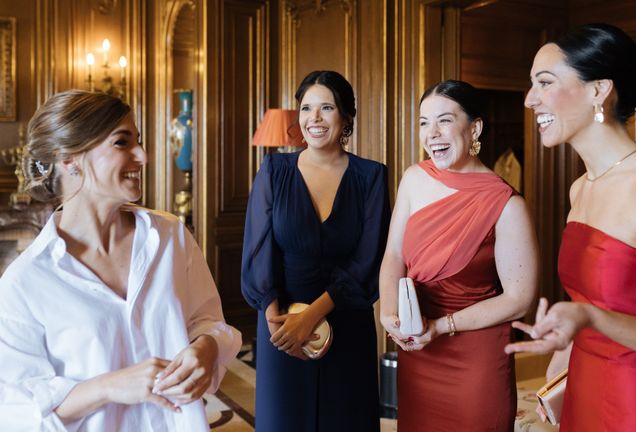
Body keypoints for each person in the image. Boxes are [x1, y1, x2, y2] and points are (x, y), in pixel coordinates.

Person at [0, 90, 241, 431]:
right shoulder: (25, 283)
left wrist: (207, 347)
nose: (142, 155)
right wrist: (109, 386)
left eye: (138, 141)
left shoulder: (170, 237)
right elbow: (17, 411)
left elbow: (209, 321)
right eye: (121, 143)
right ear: (70, 160)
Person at [379, 80, 539, 432]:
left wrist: (441, 326)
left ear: (475, 127)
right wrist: (390, 312)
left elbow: (519, 299)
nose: (432, 133)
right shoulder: (413, 179)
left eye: (445, 120)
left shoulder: (508, 204)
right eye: (423, 122)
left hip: (475, 357)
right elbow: (393, 255)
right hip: (420, 351)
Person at [505, 23, 636, 431]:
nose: (530, 100)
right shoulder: (579, 189)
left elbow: (593, 313)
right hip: (582, 389)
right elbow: (586, 301)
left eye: (544, 82)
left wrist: (590, 319)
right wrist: (560, 362)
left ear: (599, 90)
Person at [241, 70, 390, 432]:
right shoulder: (275, 170)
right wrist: (278, 323)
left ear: (346, 118)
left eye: (327, 107)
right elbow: (259, 251)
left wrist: (313, 316)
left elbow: (369, 261)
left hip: (347, 321)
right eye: (306, 108)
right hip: (282, 325)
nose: (314, 118)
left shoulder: (372, 177)